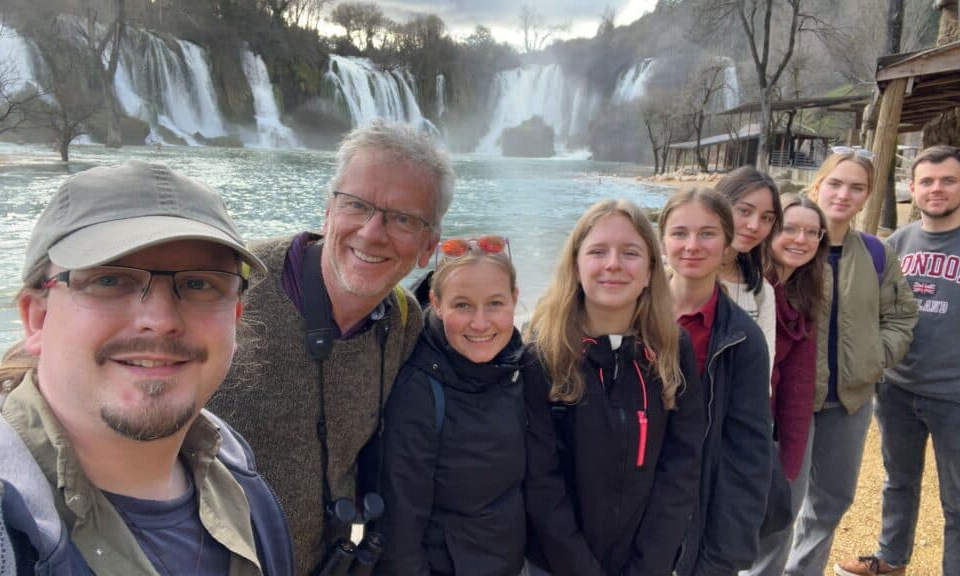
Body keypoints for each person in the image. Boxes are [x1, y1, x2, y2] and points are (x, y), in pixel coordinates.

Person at [0, 160, 293, 575]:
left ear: (236, 318)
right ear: (37, 318)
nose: (160, 318)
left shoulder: (239, 477)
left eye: (198, 284)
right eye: (110, 280)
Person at [207, 120, 455, 574]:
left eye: (402, 218)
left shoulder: (404, 324)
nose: (373, 232)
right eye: (357, 205)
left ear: (428, 248)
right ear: (328, 210)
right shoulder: (230, 285)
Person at [836, 146, 960, 576]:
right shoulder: (897, 243)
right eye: (927, 182)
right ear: (913, 189)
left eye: (948, 181)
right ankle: (891, 559)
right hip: (898, 391)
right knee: (897, 482)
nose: (936, 189)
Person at [523, 199, 703, 576]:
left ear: (652, 267)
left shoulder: (673, 349)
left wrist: (650, 564)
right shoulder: (544, 353)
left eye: (630, 252)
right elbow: (541, 480)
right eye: (598, 251)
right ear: (575, 265)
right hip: (554, 564)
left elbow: (681, 467)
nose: (613, 264)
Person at [783, 148, 917, 576]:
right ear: (817, 184)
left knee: (831, 499)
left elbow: (901, 314)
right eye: (835, 183)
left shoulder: (877, 254)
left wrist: (875, 358)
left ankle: (800, 571)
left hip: (850, 401)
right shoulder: (790, 246)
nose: (843, 194)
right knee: (781, 500)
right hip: (791, 399)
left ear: (866, 197)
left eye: (856, 187)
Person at [374, 236, 527, 576]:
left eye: (495, 304)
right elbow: (401, 527)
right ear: (437, 304)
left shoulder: (520, 368)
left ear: (515, 300)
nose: (480, 322)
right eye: (462, 305)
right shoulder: (419, 390)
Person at [663, 188, 773, 576]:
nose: (692, 245)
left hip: (695, 510)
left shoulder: (742, 338)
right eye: (679, 233)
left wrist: (721, 558)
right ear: (662, 240)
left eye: (707, 233)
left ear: (728, 243)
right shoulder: (626, 314)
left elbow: (748, 454)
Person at [743, 193, 830, 576]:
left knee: (780, 517)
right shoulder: (749, 288)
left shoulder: (803, 294)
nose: (801, 239)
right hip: (743, 426)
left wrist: (791, 458)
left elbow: (799, 383)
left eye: (812, 232)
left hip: (779, 427)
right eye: (790, 228)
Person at [714, 167, 782, 371]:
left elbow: (762, 371)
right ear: (718, 206)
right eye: (744, 211)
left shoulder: (761, 292)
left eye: (766, 218)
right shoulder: (672, 278)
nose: (754, 225)